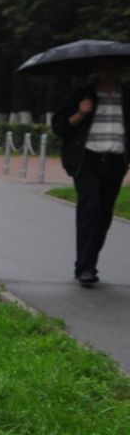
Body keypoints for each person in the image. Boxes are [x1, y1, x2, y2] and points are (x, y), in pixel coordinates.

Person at [50, 61, 125, 287]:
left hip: (115, 162)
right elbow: (59, 127)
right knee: (90, 208)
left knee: (104, 215)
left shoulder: (126, 95)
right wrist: (80, 113)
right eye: (105, 68)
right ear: (98, 71)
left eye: (113, 67)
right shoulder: (83, 94)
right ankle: (85, 267)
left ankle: (88, 262)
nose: (110, 71)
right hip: (88, 162)